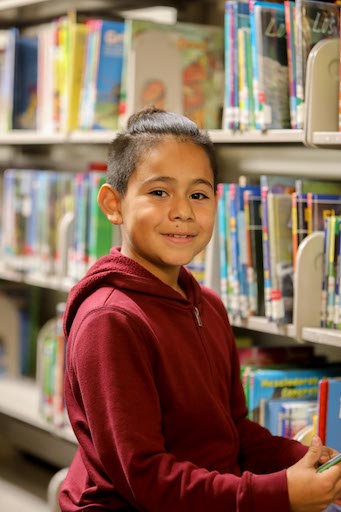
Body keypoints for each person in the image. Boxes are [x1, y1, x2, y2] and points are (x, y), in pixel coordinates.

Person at [59, 107, 341, 512]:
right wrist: (280, 493)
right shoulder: (111, 321)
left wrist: (305, 463)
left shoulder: (207, 305)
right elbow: (146, 479)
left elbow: (233, 432)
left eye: (198, 194)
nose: (183, 211)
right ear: (113, 203)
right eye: (159, 192)